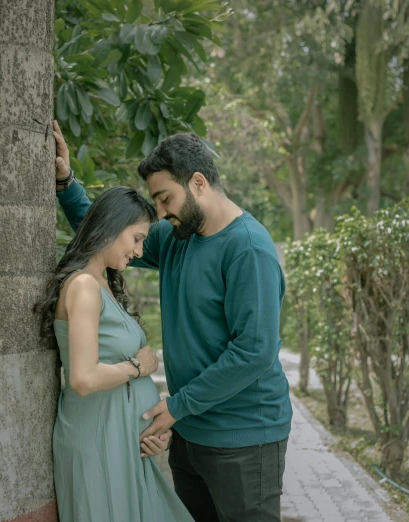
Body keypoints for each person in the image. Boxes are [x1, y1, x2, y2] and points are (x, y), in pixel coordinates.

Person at [52, 119, 293, 522]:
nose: (160, 213)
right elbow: (106, 235)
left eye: (165, 199)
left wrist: (178, 406)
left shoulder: (248, 248)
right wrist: (66, 182)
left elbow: (254, 350)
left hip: (244, 440)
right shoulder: (177, 237)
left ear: (198, 183)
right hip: (189, 433)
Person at [35, 186, 194, 521]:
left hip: (122, 443)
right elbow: (82, 378)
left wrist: (153, 435)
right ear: (109, 226)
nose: (138, 251)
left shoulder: (104, 284)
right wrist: (138, 367)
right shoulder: (84, 287)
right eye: (136, 239)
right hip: (98, 442)